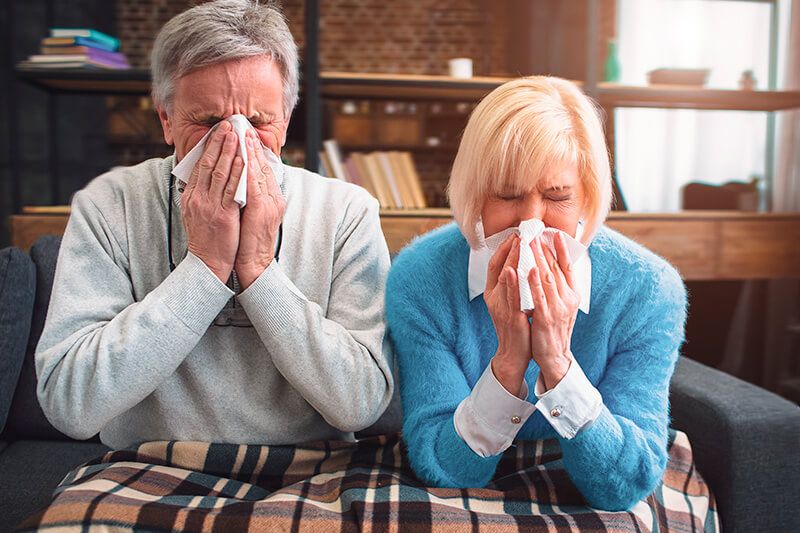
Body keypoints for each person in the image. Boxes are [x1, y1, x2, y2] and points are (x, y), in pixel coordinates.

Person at [35, 0, 393, 449]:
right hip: (149, 464)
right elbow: (69, 404)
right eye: (208, 122)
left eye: (258, 122)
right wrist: (204, 266)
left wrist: (260, 270)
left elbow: (360, 403)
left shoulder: (346, 211)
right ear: (166, 119)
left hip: (308, 468)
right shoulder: (110, 206)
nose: (236, 141)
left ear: (285, 121)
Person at [386, 76, 687, 511]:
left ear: (586, 198)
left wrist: (558, 365)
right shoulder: (420, 278)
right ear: (474, 197)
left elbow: (624, 486)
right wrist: (509, 362)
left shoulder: (648, 290)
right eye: (507, 195)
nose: (532, 222)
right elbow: (444, 468)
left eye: (557, 196)